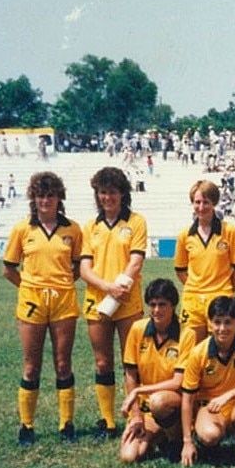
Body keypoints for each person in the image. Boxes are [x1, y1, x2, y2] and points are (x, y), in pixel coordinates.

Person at [2, 172, 83, 445]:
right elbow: (8, 269)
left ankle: (66, 424)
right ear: (33, 198)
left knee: (63, 363)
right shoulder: (22, 229)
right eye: (40, 195)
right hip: (32, 301)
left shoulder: (72, 229)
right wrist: (29, 288)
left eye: (50, 195)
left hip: (63, 301)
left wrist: (60, 285)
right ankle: (27, 425)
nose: (45, 200)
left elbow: (78, 268)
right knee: (31, 365)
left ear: (59, 198)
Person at [79, 167, 148, 441]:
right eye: (103, 192)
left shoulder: (136, 221)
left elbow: (136, 261)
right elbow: (85, 268)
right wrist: (108, 289)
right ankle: (107, 422)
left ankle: (136, 416)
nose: (107, 197)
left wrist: (120, 288)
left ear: (123, 193)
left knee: (132, 362)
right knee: (102, 362)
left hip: (128, 302)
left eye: (112, 192)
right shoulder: (90, 226)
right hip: (98, 303)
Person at [179, 296, 235, 467]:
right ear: (210, 323)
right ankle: (207, 438)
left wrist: (228, 395)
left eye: (228, 322)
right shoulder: (198, 352)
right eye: (217, 322)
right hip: (211, 407)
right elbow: (187, 399)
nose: (222, 328)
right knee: (210, 436)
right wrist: (187, 441)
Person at [119, 279, 196, 463]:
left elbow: (177, 382)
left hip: (171, 403)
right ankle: (157, 435)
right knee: (130, 456)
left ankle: (174, 439)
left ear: (173, 305)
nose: (156, 310)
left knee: (159, 401)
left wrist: (138, 391)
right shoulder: (138, 329)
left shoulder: (187, 334)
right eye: (152, 305)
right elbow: (130, 374)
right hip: (146, 408)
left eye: (162, 304)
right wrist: (136, 415)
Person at [173, 180, 235, 342]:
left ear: (214, 203)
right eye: (197, 202)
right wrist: (197, 286)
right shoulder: (185, 235)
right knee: (193, 350)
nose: (201, 207)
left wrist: (225, 289)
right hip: (193, 300)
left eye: (206, 202)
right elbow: (180, 270)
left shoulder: (230, 231)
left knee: (219, 350)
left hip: (220, 298)